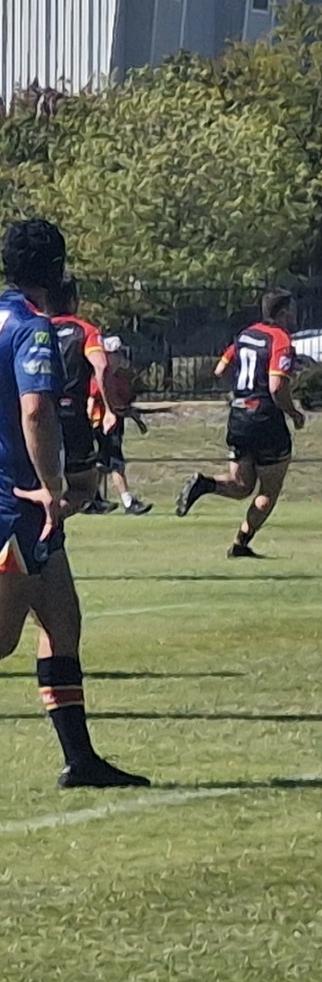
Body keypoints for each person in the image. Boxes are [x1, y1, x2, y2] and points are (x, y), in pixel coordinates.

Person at [0, 218, 147, 787]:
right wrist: (53, 487)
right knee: (2, 639)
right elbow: (37, 412)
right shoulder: (32, 328)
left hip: (18, 502)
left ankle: (80, 759)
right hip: (20, 504)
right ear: (58, 270)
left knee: (63, 620)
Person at [176, 290, 308, 558]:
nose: (295, 316)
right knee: (269, 490)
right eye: (292, 311)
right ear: (283, 313)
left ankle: (205, 484)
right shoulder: (280, 339)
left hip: (239, 417)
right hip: (266, 419)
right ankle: (240, 544)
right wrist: (293, 413)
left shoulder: (246, 334)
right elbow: (276, 386)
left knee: (241, 486)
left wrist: (238, 394)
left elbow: (220, 370)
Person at [47, 278, 110, 515]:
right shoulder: (85, 331)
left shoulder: (35, 328)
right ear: (73, 300)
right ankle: (50, 521)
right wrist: (109, 409)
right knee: (84, 488)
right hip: (72, 415)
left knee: (39, 482)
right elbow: (102, 366)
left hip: (39, 413)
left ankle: (40, 524)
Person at [94, 336, 150, 514]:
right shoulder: (100, 378)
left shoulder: (118, 378)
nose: (119, 357)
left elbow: (123, 404)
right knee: (115, 463)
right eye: (115, 353)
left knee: (103, 462)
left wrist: (135, 418)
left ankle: (93, 498)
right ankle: (128, 502)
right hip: (104, 424)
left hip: (116, 423)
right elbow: (92, 401)